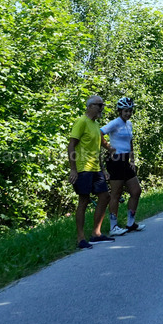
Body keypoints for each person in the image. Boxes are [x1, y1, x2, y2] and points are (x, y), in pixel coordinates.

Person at [67, 95, 116, 249]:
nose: (102, 108)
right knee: (84, 201)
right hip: (83, 169)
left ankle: (96, 234)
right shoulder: (82, 122)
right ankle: (80, 238)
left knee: (105, 197)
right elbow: (71, 145)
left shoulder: (95, 125)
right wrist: (73, 169)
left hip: (95, 168)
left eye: (102, 105)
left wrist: (103, 168)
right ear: (90, 106)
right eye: (99, 105)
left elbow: (97, 148)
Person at [103, 97, 146, 236]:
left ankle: (130, 223)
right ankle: (113, 226)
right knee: (116, 193)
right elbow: (99, 134)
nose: (128, 113)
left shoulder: (129, 124)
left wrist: (132, 161)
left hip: (126, 161)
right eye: (126, 111)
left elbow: (130, 142)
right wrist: (109, 148)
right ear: (120, 111)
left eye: (130, 111)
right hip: (115, 161)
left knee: (136, 191)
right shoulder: (115, 123)